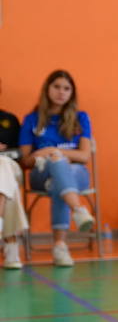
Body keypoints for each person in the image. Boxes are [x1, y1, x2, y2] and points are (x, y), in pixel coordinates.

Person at [18, 70, 95, 267]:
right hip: (41, 173)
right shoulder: (31, 119)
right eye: (57, 87)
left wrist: (53, 151)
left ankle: (60, 246)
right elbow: (25, 160)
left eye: (66, 88)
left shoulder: (81, 118)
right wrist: (49, 156)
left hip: (76, 173)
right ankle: (77, 211)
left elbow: (84, 156)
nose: (61, 92)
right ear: (47, 89)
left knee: (58, 182)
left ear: (72, 93)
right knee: (57, 165)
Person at [0, 86, 25, 268]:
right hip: (8, 179)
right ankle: (11, 245)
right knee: (9, 186)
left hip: (11, 166)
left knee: (4, 166)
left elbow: (20, 153)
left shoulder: (10, 120)